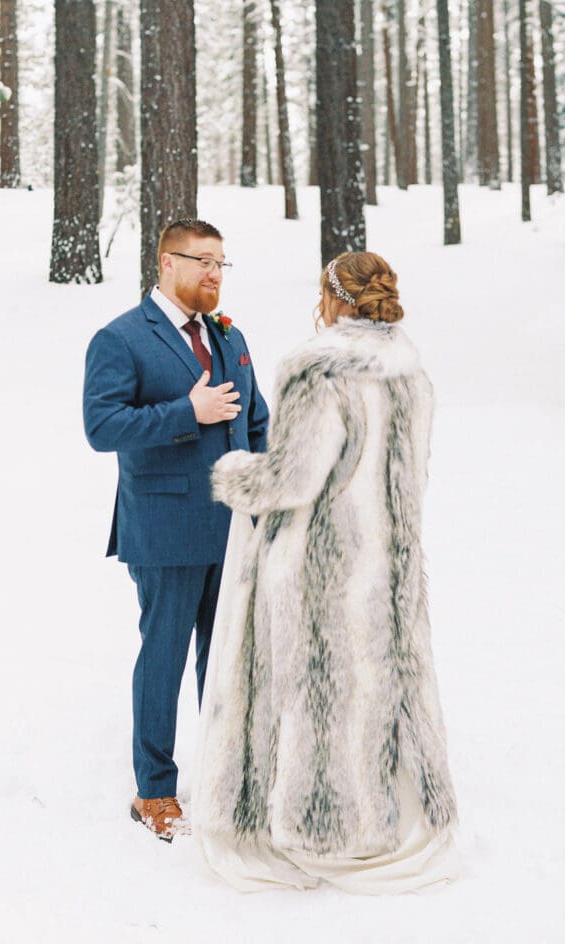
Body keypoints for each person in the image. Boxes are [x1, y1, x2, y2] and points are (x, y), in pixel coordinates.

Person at [192, 251, 459, 893]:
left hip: (320, 564)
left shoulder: (318, 370)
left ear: (331, 297)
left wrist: (233, 477)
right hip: (387, 560)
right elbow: (411, 473)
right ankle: (383, 815)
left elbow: (294, 477)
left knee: (312, 689)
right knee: (374, 688)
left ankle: (317, 824)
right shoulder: (411, 371)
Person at [83, 218, 269, 843]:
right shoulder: (122, 339)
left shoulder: (230, 335)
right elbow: (102, 427)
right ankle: (154, 791)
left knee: (226, 662)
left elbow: (257, 420)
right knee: (163, 659)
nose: (215, 273)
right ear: (166, 263)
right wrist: (185, 413)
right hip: (164, 528)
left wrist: (266, 491)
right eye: (202, 261)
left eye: (222, 262)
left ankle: (225, 777)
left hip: (234, 530)